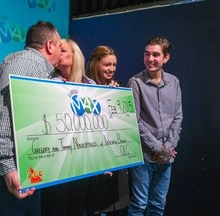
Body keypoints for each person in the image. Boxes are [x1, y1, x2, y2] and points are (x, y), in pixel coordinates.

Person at [0, 21, 62, 216]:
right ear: (50, 45)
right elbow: (4, 122)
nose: (62, 52)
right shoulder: (27, 63)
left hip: (19, 171)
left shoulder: (40, 69)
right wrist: (8, 168)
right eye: (60, 46)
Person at [127, 35, 183, 216]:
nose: (150, 59)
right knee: (139, 205)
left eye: (156, 55)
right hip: (144, 157)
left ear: (166, 58)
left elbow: (177, 117)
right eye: (147, 54)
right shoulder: (135, 82)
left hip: (167, 158)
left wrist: (169, 148)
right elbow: (134, 121)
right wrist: (159, 148)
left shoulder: (174, 82)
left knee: (158, 206)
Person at [41, 38, 95, 216]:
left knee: (77, 210)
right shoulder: (47, 82)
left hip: (82, 163)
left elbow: (96, 128)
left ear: (75, 55)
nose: (57, 53)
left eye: (63, 50)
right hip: (56, 163)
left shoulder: (91, 86)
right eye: (57, 49)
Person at [85, 45, 130, 216]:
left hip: (115, 161)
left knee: (116, 207)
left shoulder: (117, 90)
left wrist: (115, 96)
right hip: (93, 164)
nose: (112, 69)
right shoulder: (84, 89)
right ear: (96, 64)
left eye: (114, 65)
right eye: (107, 65)